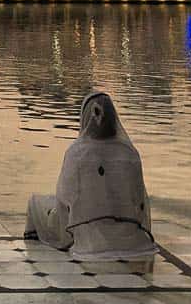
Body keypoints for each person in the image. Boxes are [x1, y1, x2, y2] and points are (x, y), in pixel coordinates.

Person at [25, 92, 158, 260]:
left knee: (35, 203)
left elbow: (64, 200)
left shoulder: (78, 153)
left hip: (89, 242)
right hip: (132, 239)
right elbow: (139, 201)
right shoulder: (129, 152)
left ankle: (33, 253)